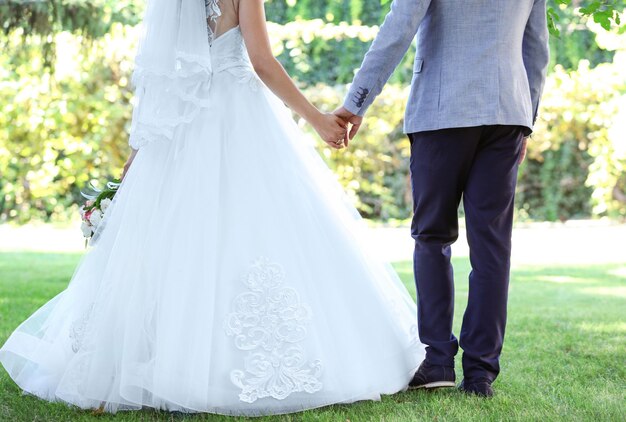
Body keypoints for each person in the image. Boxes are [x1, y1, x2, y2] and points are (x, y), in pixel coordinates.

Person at [0, 0, 424, 416]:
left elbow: (157, 74)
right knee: (263, 228)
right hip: (240, 118)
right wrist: (316, 118)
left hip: (181, 127)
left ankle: (150, 360)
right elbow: (261, 61)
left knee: (175, 238)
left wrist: (137, 153)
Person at [335, 0, 550, 397]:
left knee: (433, 238)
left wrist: (355, 103)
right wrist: (527, 119)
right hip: (507, 115)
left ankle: (437, 361)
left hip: (441, 112)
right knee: (492, 247)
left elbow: (398, 28)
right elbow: (536, 48)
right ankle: (481, 373)